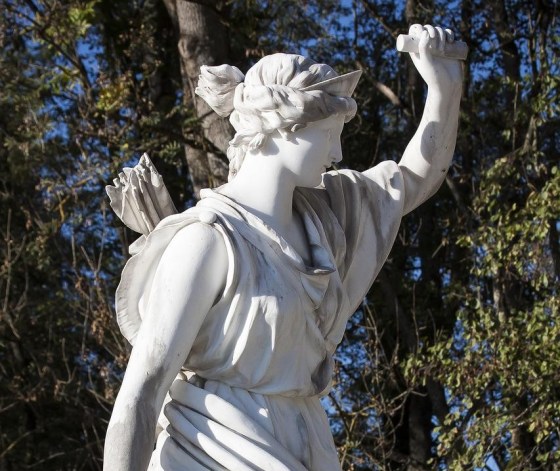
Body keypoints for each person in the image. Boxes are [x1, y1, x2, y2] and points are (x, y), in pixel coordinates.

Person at [104, 24, 463, 471]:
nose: (336, 152)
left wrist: (444, 86)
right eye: (329, 133)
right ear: (284, 126)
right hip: (213, 449)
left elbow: (414, 179)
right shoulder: (207, 241)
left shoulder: (328, 216)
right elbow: (141, 394)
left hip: (306, 445)